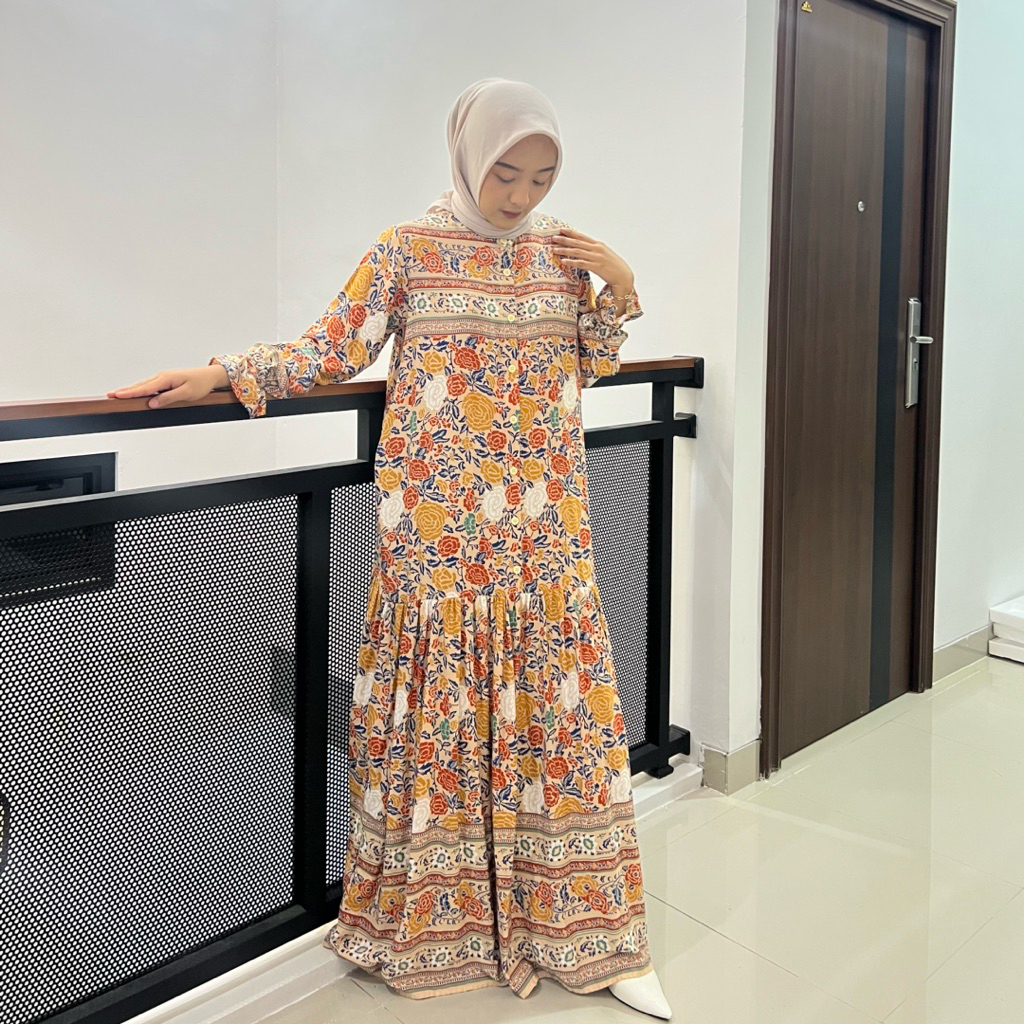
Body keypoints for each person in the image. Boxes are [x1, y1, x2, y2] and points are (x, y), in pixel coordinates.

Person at [109, 78, 671, 1018]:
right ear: (468, 154)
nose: (522, 196)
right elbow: (331, 349)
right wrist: (220, 374)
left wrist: (620, 283)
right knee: (437, 728)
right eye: (506, 173)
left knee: (562, 724)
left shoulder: (562, 256)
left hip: (543, 538)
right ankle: (435, 925)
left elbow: (592, 360)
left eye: (541, 178)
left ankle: (589, 929)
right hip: (439, 538)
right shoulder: (407, 251)